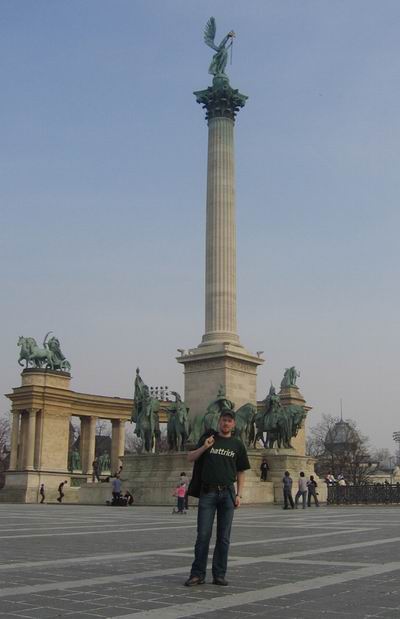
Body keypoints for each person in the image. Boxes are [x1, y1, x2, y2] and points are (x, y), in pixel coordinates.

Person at [184, 408, 250, 587]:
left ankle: (219, 574)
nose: (226, 423)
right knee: (203, 535)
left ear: (234, 424)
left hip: (228, 494)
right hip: (208, 493)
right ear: (219, 422)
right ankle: (197, 574)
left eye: (229, 421)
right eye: (223, 420)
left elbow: (241, 471)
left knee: (224, 537)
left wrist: (239, 494)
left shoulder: (237, 444)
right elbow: (190, 457)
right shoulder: (209, 439)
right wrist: (205, 447)